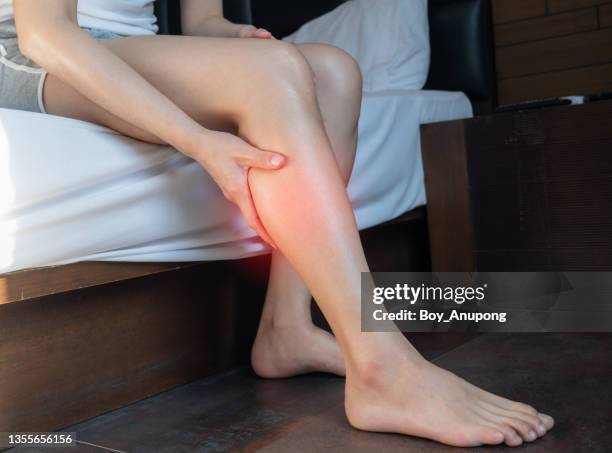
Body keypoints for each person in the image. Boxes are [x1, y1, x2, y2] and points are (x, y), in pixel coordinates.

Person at [3, 0, 554, 447]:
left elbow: (201, 23)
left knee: (335, 71)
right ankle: (383, 367)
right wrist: (195, 139)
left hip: (130, 48)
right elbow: (44, 34)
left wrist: (235, 38)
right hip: (38, 53)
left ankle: (286, 329)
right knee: (277, 74)